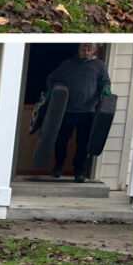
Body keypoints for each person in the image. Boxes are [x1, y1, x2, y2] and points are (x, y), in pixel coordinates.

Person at [45, 43, 112, 182]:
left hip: (88, 111)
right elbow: (52, 78)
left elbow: (105, 82)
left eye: (89, 50)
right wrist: (50, 91)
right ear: (79, 50)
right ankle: (58, 166)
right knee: (61, 140)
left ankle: (79, 172)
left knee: (83, 143)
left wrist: (106, 89)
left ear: (93, 51)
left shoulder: (99, 66)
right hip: (67, 110)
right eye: (83, 50)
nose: (86, 52)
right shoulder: (67, 65)